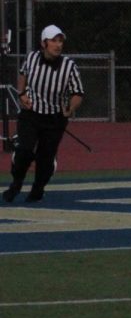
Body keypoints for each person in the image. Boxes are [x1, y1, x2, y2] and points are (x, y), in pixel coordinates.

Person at [2, 25, 84, 204]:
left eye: (60, 41)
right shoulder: (31, 57)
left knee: (45, 159)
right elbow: (23, 74)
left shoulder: (69, 66)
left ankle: (38, 189)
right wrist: (22, 94)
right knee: (24, 150)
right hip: (31, 113)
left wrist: (70, 108)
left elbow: (78, 92)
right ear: (43, 43)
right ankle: (16, 184)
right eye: (53, 40)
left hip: (54, 118)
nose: (58, 45)